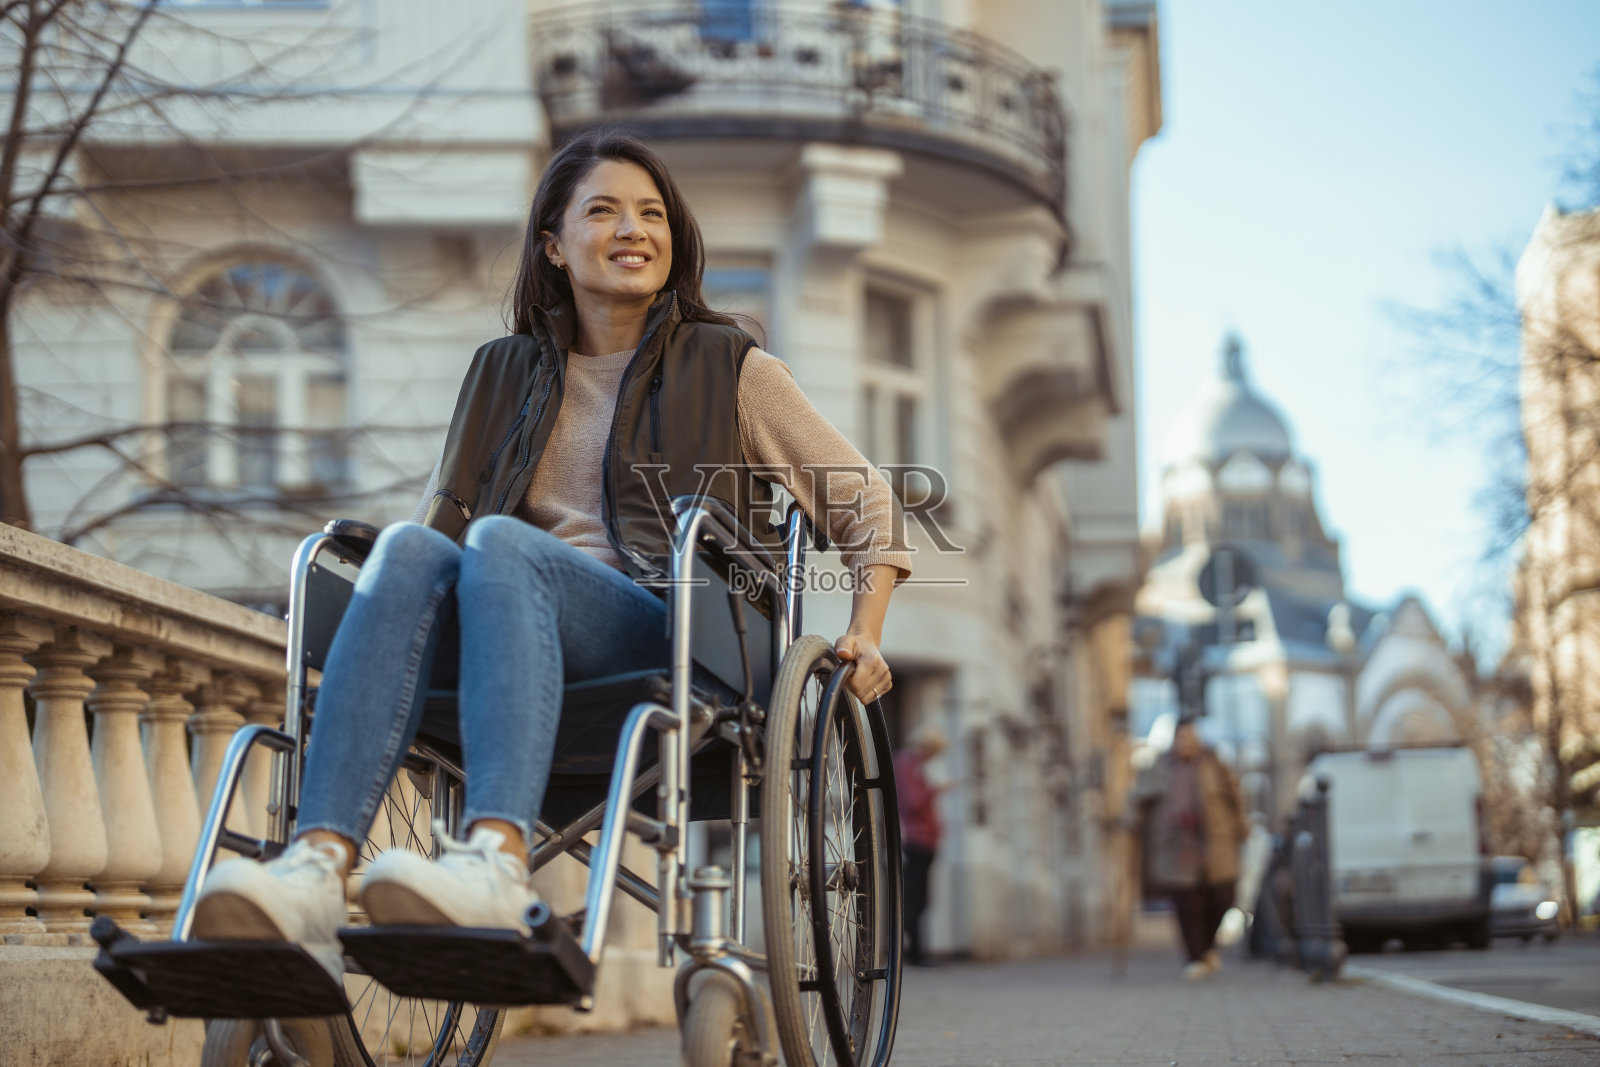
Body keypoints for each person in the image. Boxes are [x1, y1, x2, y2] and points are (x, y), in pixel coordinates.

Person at [191, 131, 913, 980]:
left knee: (504, 543)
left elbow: (867, 501)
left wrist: (866, 629)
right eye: (602, 210)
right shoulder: (500, 372)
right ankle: (315, 867)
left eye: (651, 213)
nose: (632, 229)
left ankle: (494, 859)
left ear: (673, 239)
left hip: (675, 629)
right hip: (513, 626)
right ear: (553, 245)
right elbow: (442, 520)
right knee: (410, 547)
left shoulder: (731, 365)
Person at [1139, 718, 1247, 980]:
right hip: (1175, 843)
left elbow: (1235, 796)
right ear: (1174, 741)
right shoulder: (1160, 766)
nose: (1185, 744)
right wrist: (1131, 816)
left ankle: (1208, 948)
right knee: (1187, 901)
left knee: (1224, 894)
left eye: (1189, 738)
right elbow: (1139, 794)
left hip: (1213, 839)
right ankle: (1195, 956)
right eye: (1180, 739)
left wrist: (1241, 826)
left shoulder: (1214, 763)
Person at [894, 722, 948, 966]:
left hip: (925, 839)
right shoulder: (908, 764)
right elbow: (913, 803)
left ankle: (917, 950)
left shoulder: (914, 765)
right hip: (917, 839)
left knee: (921, 897)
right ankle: (915, 952)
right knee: (915, 897)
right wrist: (937, 789)